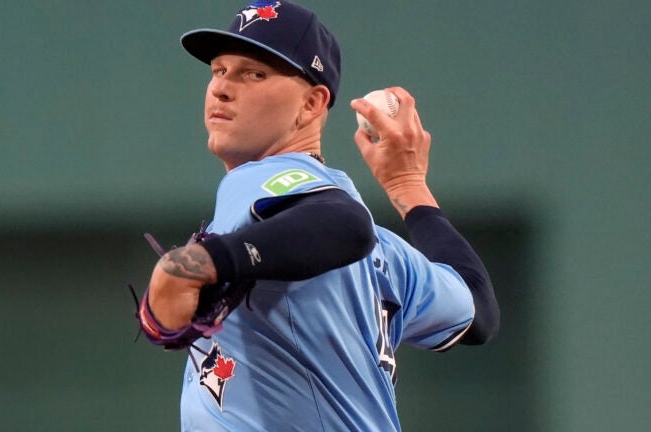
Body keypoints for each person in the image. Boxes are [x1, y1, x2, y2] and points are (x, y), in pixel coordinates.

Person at [140, 2, 499, 430]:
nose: (221, 88)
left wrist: (202, 262)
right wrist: (409, 189)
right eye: (219, 70)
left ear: (311, 104)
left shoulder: (261, 180)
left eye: (254, 73)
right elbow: (478, 310)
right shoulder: (387, 255)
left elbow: (344, 224)